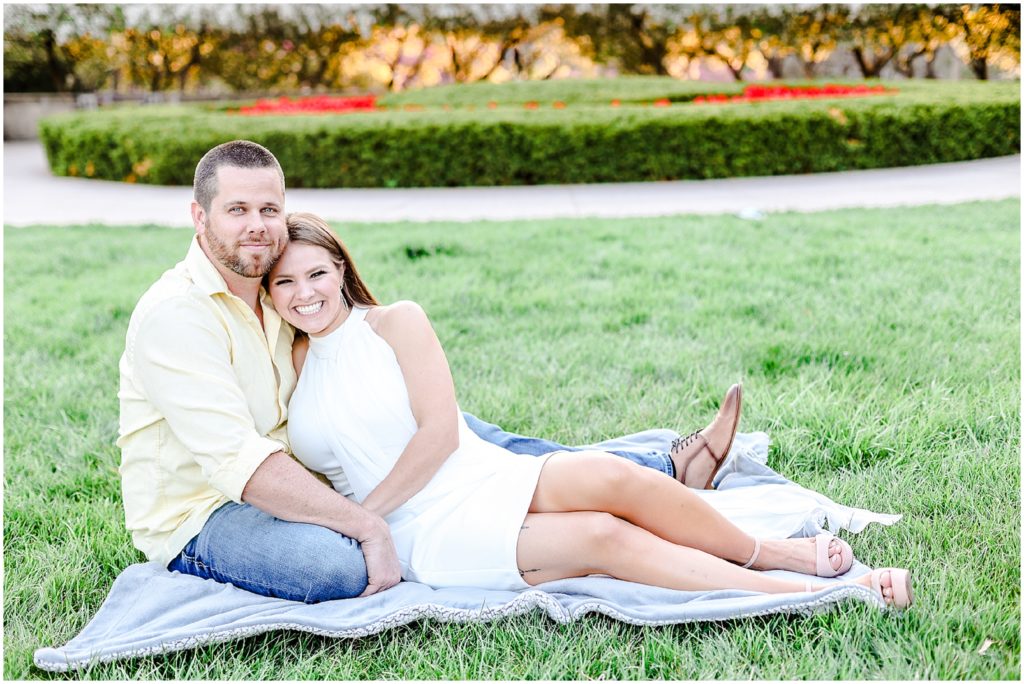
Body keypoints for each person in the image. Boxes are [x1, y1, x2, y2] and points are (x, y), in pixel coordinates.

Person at [117, 139, 744, 604]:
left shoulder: (273, 290)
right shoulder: (177, 316)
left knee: (451, 430)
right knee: (337, 567)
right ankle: (651, 474)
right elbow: (246, 467)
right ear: (199, 217)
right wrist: (365, 522)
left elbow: (352, 354)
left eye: (269, 208)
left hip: (308, 461)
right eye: (236, 210)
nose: (256, 225)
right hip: (211, 511)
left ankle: (660, 466)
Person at [265, 212, 913, 608]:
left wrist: (359, 519)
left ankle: (769, 551)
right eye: (284, 282)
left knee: (613, 476)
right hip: (421, 531)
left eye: (316, 273)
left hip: (471, 474)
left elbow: (439, 434)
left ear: (341, 268)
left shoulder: (395, 323)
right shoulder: (290, 362)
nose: (304, 293)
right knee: (602, 537)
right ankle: (819, 593)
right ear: (268, 294)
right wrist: (375, 526)